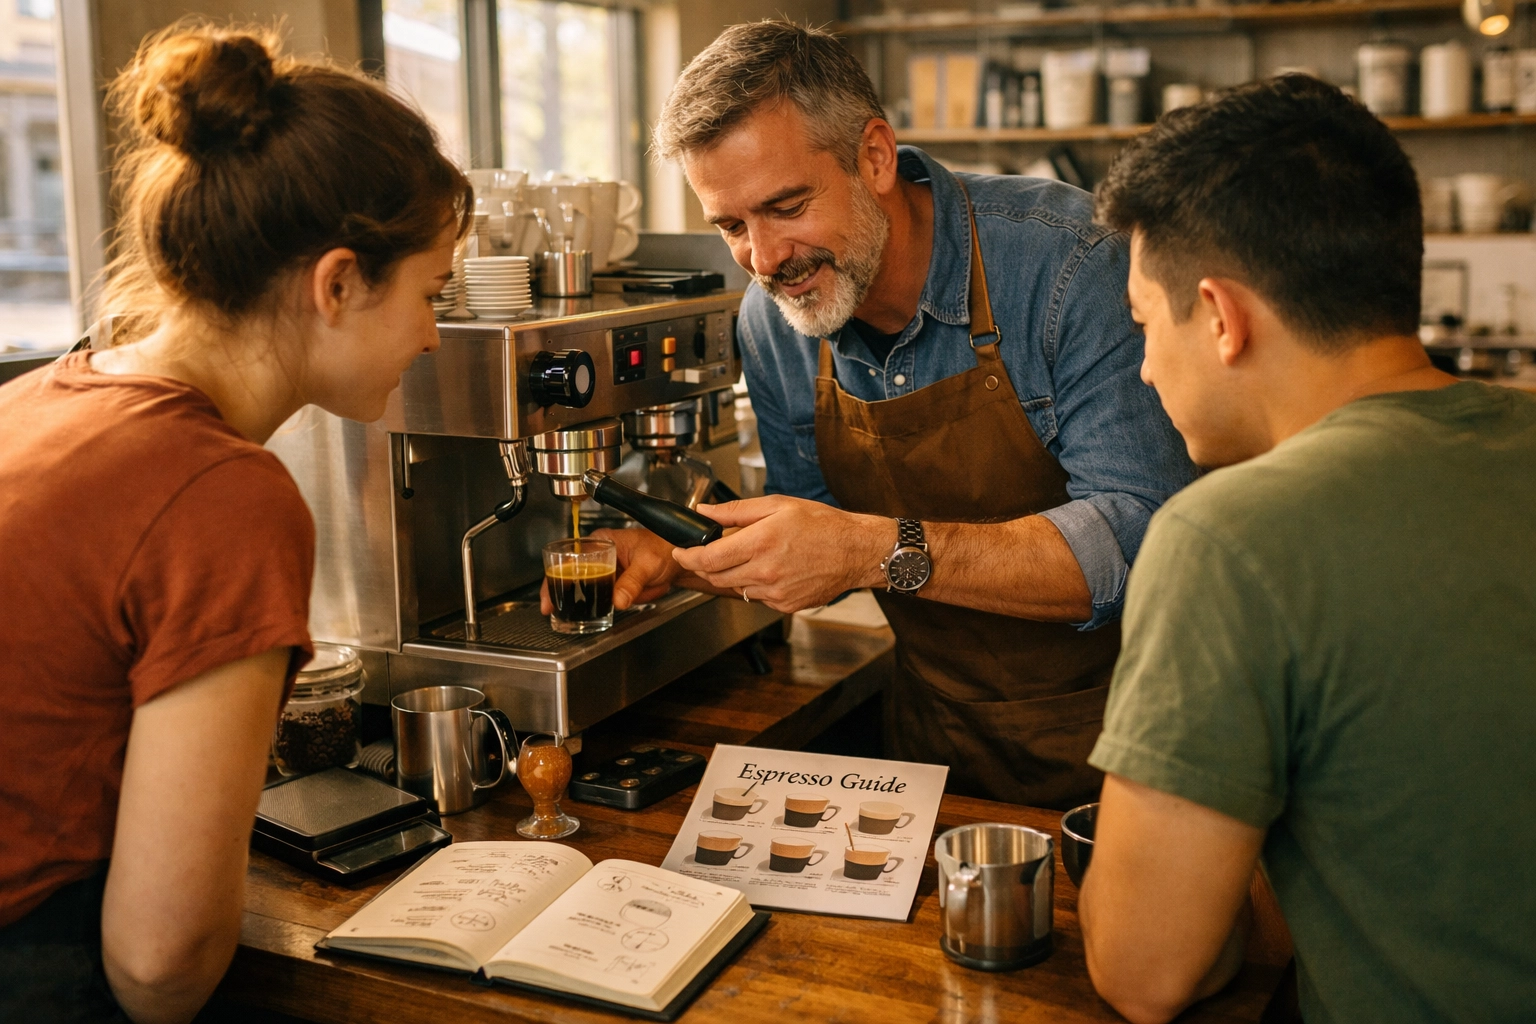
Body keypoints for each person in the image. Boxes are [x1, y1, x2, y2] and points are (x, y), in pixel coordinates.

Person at [587, 21, 1195, 809]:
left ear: (874, 156)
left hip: (1138, 751)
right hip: (938, 743)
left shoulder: (1069, 263)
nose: (764, 260)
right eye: (732, 226)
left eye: (786, 207)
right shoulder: (774, 321)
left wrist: (875, 550)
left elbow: (1145, 540)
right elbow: (815, 547)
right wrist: (680, 560)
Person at [0, 25, 468, 1023]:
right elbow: (159, 963)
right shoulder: (226, 493)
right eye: (431, 294)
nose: (434, 336)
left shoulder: (41, 396)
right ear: (336, 283)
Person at [1077, 76, 1536, 1024]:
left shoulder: (1228, 540)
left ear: (1221, 316)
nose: (1144, 366)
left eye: (1143, 322)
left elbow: (1146, 971)